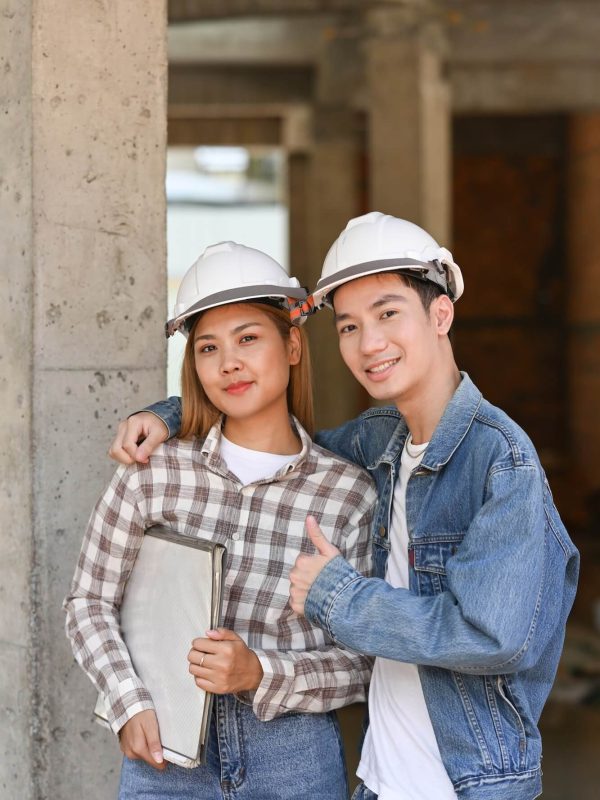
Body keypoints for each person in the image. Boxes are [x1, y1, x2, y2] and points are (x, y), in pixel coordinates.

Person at [108, 214, 579, 800]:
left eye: (387, 314)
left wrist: (338, 596)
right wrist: (170, 414)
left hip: (470, 786)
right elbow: (265, 430)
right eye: (349, 326)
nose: (369, 343)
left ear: (441, 314)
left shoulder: (500, 461)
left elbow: (492, 638)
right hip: (381, 781)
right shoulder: (378, 440)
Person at [64, 241, 376, 800]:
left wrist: (259, 672)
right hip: (167, 751)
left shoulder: (347, 495)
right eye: (209, 347)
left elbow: (364, 661)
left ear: (293, 345)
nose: (229, 362)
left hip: (293, 758)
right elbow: (88, 601)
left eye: (248, 338)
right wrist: (126, 701)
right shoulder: (154, 471)